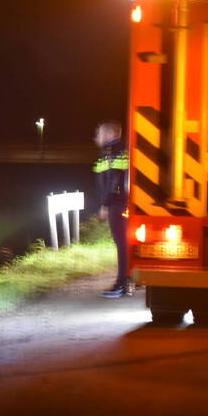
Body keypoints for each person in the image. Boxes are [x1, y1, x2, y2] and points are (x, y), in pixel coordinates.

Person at [94, 121, 130, 298]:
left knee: (122, 244)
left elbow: (113, 179)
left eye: (99, 133)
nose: (96, 137)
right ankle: (125, 282)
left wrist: (105, 204)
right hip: (120, 202)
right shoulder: (118, 149)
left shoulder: (112, 151)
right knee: (123, 243)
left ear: (109, 134)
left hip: (117, 203)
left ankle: (121, 285)